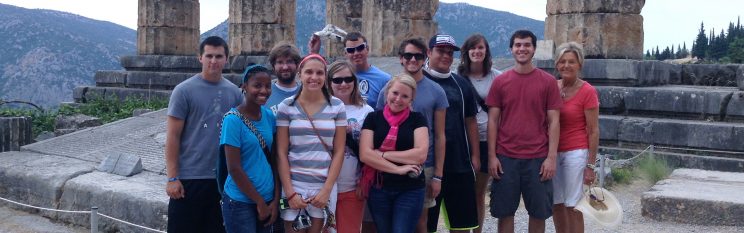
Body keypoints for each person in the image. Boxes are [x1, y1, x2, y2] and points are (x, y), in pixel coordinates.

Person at [486, 30, 561, 233]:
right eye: (518, 45)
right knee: (504, 212)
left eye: (527, 45)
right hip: (506, 157)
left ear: (534, 49)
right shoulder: (500, 82)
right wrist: (492, 156)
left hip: (538, 157)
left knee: (538, 213)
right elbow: (492, 121)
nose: (522, 49)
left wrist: (551, 158)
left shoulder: (548, 82)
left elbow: (554, 121)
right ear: (511, 49)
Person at [165, 36, 242, 233]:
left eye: (218, 56)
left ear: (226, 59)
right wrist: (172, 178)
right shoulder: (183, 91)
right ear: (200, 58)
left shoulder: (234, 93)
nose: (213, 61)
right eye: (209, 56)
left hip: (222, 179)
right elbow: (173, 136)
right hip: (189, 178)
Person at [375, 38, 448, 233]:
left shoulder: (437, 91)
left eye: (418, 56)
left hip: (424, 164)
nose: (413, 60)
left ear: (425, 58)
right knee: (388, 221)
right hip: (388, 164)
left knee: (420, 222)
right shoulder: (387, 92)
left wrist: (438, 176)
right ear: (400, 58)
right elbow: (379, 128)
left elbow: (440, 135)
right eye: (408, 55)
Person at [276, 54, 347, 233]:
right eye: (308, 72)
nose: (314, 77)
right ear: (300, 74)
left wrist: (326, 190)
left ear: (325, 76)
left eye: (319, 73)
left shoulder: (337, 107)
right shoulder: (287, 106)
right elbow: (281, 152)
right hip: (294, 184)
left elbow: (339, 151)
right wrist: (290, 192)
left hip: (323, 185)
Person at [424, 34, 480, 233]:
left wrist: (475, 155)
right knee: (425, 224)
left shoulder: (461, 83)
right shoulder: (418, 82)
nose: (446, 56)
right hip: (428, 162)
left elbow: (470, 120)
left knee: (462, 224)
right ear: (429, 52)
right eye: (441, 51)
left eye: (450, 52)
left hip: (458, 161)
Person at [360, 74, 429, 233]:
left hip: (409, 189)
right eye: (395, 93)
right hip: (379, 188)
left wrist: (384, 155)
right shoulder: (373, 118)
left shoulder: (417, 119)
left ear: (411, 100)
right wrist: (398, 168)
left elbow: (420, 155)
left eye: (405, 96)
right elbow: (365, 154)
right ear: (387, 93)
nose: (398, 99)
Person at [219, 65, 279, 232]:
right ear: (244, 87)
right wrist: (259, 202)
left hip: (268, 199)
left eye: (268, 86)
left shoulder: (268, 116)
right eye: (257, 85)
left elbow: (274, 159)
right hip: (240, 202)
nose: (264, 90)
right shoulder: (232, 120)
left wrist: (275, 199)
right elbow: (234, 168)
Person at [456, 33, 502, 233]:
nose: (477, 51)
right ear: (467, 52)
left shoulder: (497, 77)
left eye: (480, 48)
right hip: (464, 141)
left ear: (486, 51)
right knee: (463, 192)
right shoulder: (458, 78)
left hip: (488, 140)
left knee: (478, 192)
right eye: (473, 48)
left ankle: (478, 230)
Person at [551, 42, 599, 233]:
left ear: (580, 64)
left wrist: (590, 165)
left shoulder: (587, 91)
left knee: (574, 205)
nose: (566, 66)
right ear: (557, 64)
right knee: (556, 203)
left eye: (571, 61)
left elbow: (593, 130)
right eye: (562, 61)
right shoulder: (553, 87)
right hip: (553, 152)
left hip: (576, 152)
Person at [327, 60, 374, 233]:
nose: (344, 84)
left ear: (355, 81)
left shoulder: (366, 111)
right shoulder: (320, 109)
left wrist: (364, 181)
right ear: (329, 82)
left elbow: (370, 151)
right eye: (337, 80)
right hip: (322, 185)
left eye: (348, 79)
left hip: (352, 185)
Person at [310, 32, 391, 107]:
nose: (356, 53)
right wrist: (314, 53)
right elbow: (313, 85)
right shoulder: (334, 77)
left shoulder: (384, 79)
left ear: (367, 49)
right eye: (351, 50)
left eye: (360, 48)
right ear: (345, 54)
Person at [265, 42, 302, 114]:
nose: (285, 67)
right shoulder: (265, 93)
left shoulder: (306, 93)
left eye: (289, 62)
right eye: (280, 62)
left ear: (297, 65)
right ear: (273, 66)